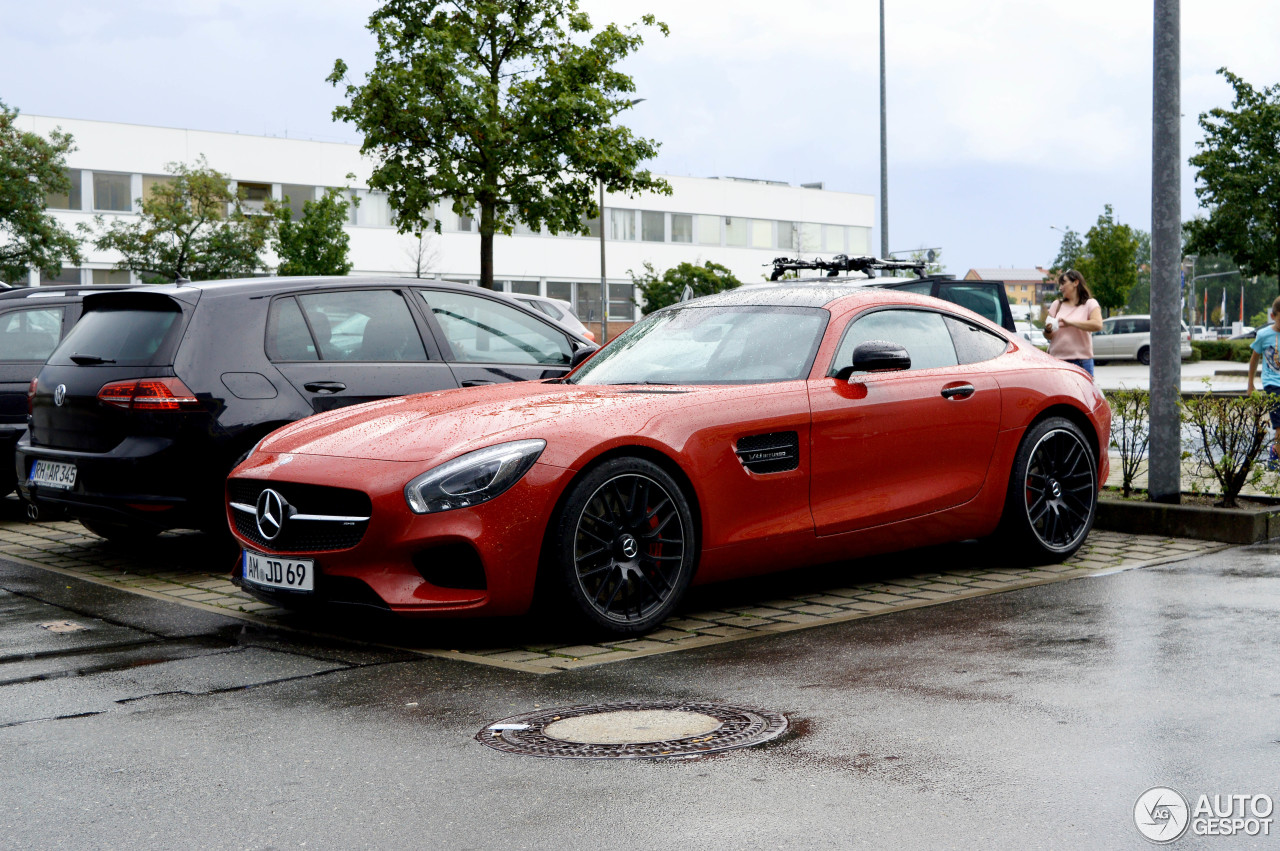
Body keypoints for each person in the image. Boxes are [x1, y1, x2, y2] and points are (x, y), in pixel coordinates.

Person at [1043, 269, 1103, 376]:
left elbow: (1097, 325)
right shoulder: (1056, 305)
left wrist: (1070, 323)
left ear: (1076, 282)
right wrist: (1047, 330)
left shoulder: (1090, 304)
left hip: (1081, 362)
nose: (1060, 288)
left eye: (1063, 283)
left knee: (1083, 393)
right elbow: (1048, 336)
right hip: (1057, 361)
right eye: (1059, 285)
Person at [1246, 295, 1280, 471]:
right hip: (1272, 383)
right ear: (1273, 316)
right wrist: (1250, 384)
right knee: (1279, 424)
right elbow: (1253, 361)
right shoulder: (1264, 334)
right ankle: (1275, 458)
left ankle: (1275, 452)